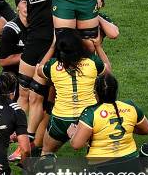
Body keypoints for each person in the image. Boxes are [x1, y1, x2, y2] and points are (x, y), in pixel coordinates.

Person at [0, 0, 55, 159]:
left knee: (39, 96)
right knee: (24, 94)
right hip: (32, 42)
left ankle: (29, 142)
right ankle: (22, 137)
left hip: (49, 43)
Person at [36, 29, 110, 157]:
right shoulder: (92, 62)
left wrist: (52, 46)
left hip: (61, 118)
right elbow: (107, 70)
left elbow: (38, 70)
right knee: (96, 152)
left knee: (47, 152)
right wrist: (98, 46)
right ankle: (95, 174)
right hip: (88, 118)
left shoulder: (53, 66)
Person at [0, 0, 28, 107]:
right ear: (17, 7)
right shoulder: (10, 29)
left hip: (33, 74)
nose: (28, 5)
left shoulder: (41, 26)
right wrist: (30, 54)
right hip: (13, 76)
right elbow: (3, 61)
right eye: (24, 2)